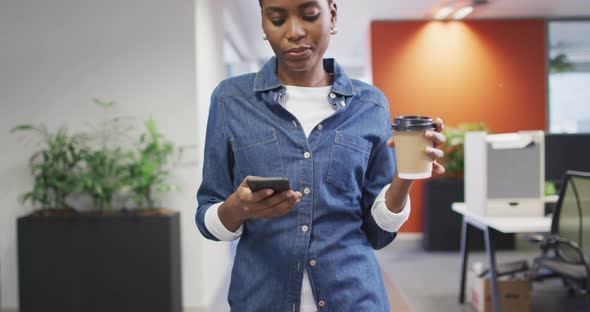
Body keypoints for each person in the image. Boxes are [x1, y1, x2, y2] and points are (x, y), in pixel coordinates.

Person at [195, 0, 446, 311]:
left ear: (333, 15)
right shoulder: (230, 100)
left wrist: (404, 178)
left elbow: (378, 234)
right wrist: (236, 208)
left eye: (310, 15)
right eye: (277, 19)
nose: (295, 31)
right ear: (262, 23)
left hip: (355, 298)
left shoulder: (371, 104)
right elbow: (206, 217)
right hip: (260, 298)